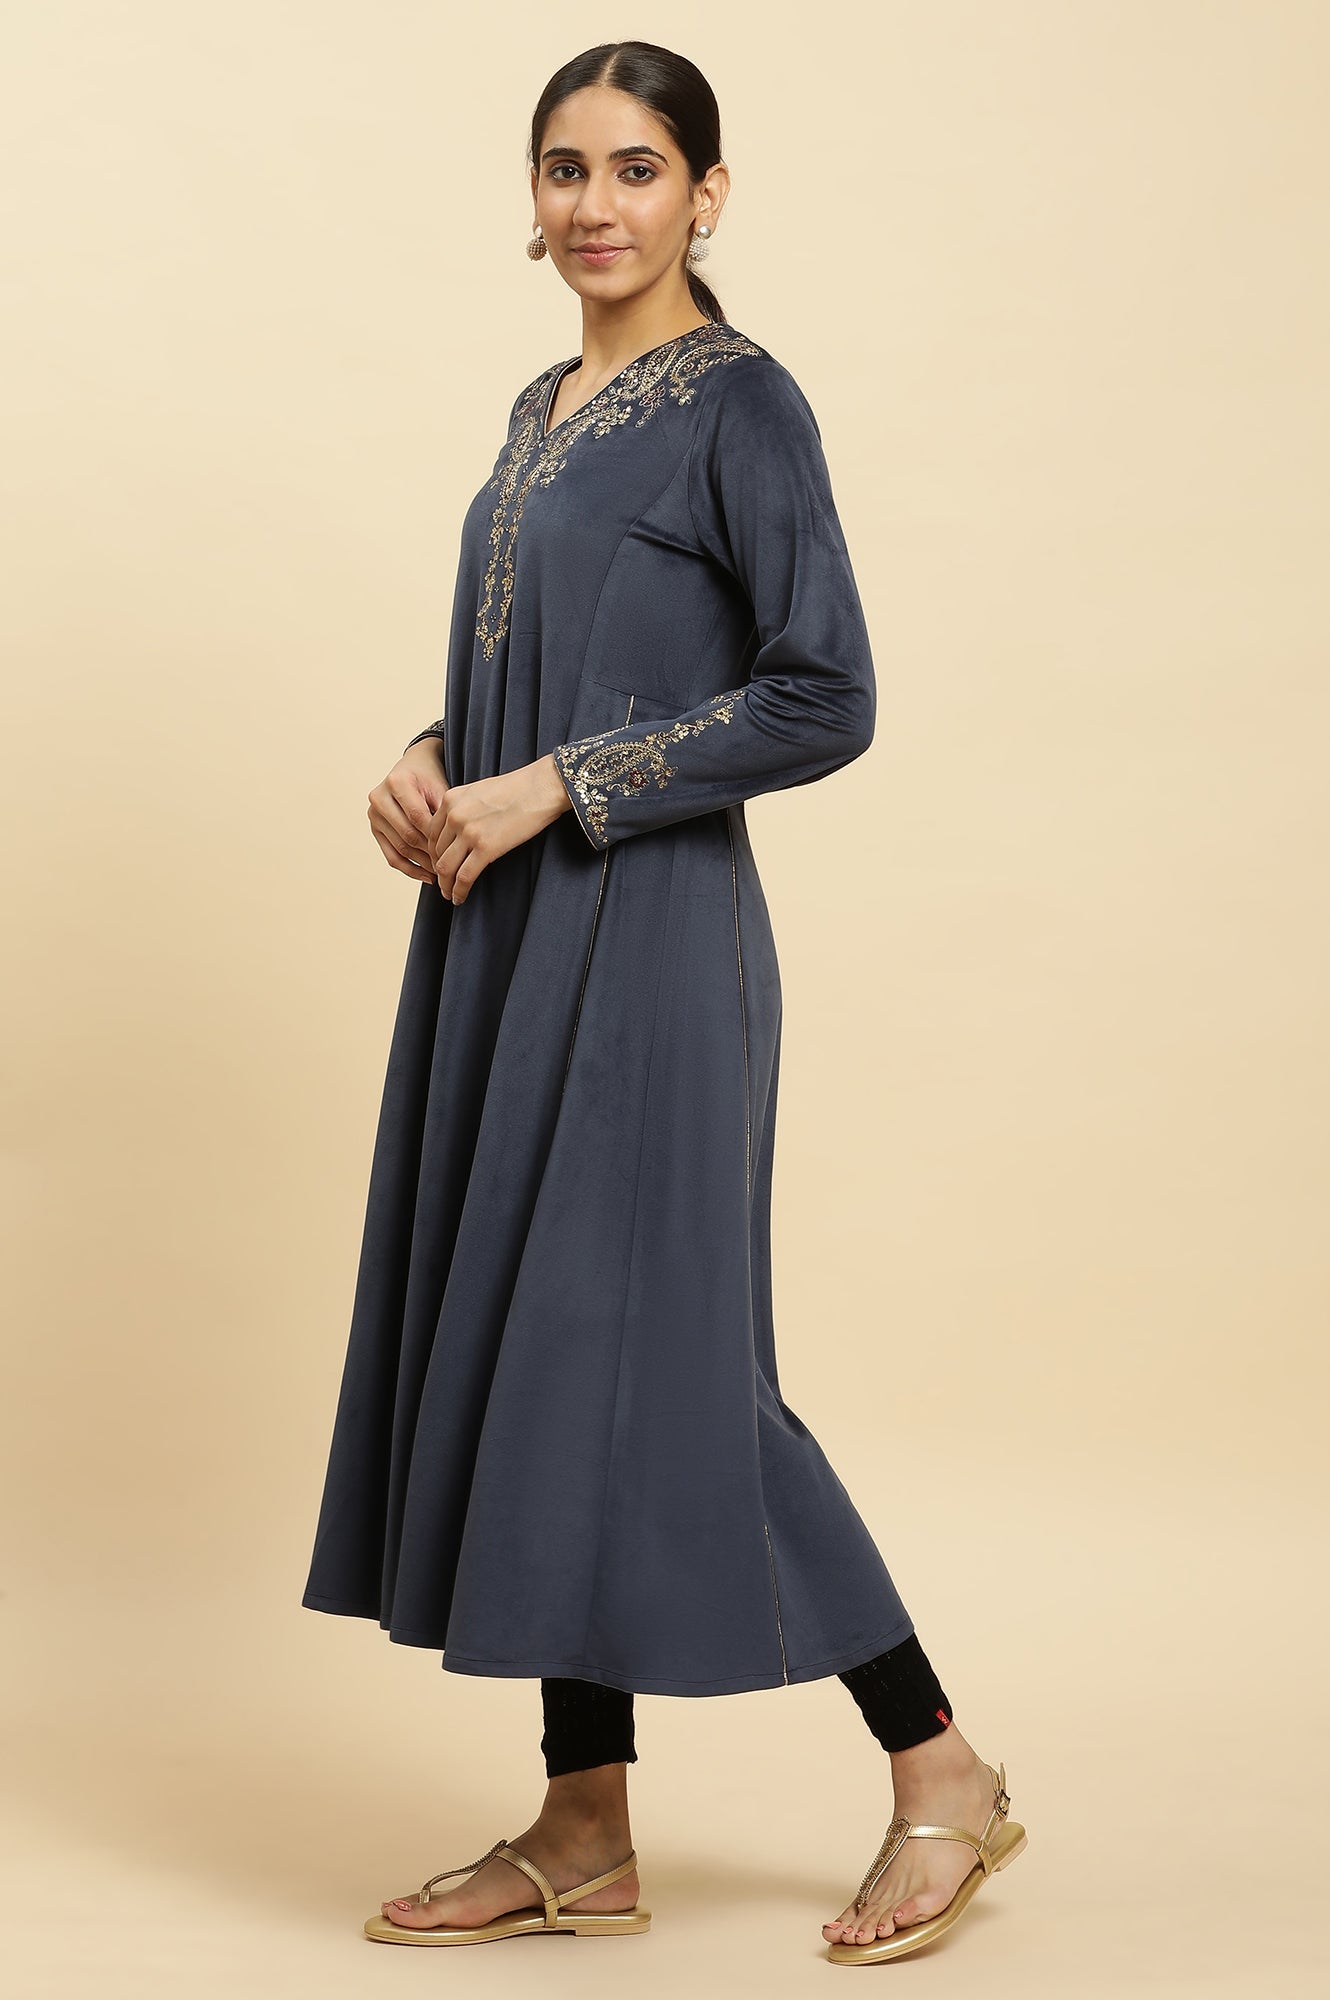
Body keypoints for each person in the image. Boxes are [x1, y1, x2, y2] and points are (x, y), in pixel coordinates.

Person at [301, 39, 1026, 1967]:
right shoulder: (537, 407)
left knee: (670, 1367)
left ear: (708, 192)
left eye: (636, 167)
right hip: (501, 934)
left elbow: (822, 692)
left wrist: (561, 786)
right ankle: (583, 1826)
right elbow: (556, 663)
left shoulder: (742, 405)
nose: (594, 204)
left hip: (647, 946)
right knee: (538, 1361)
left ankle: (940, 1767)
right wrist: (435, 759)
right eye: (564, 167)